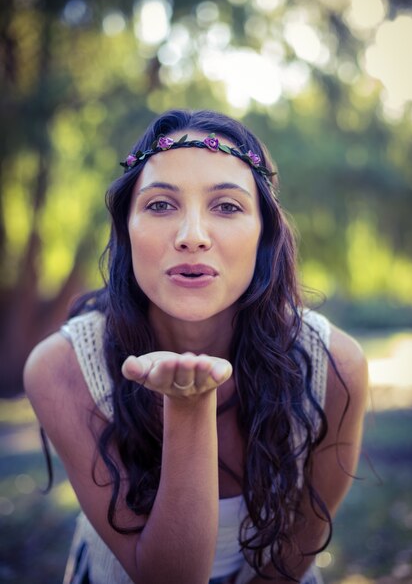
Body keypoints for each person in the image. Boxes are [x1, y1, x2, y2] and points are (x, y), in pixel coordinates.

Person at [24, 109, 368, 584]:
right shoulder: (62, 367)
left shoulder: (334, 366)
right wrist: (188, 406)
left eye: (227, 206)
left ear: (264, 234)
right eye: (161, 205)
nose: (192, 237)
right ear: (126, 230)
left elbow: (290, 562)